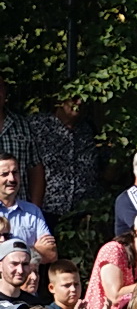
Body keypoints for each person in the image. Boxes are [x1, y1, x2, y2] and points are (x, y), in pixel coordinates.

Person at [27, 95, 98, 230]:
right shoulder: (37, 126)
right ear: (60, 100)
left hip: (85, 211)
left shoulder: (88, 128)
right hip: (48, 210)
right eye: (74, 98)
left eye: (83, 98)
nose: (79, 102)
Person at [0, 154, 54, 261]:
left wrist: (5, 249)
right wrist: (34, 249)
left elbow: (51, 254)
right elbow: (43, 253)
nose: (12, 179)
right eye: (5, 174)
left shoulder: (33, 211)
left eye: (15, 173)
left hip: (28, 277)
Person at [0, 77, 42, 208]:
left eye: (0, 88)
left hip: (20, 211)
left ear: (5, 92)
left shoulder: (22, 125)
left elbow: (35, 169)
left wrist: (35, 209)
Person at [0, 239, 39, 309]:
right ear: (0, 266)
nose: (20, 270)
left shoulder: (34, 305)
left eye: (25, 264)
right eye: (14, 264)